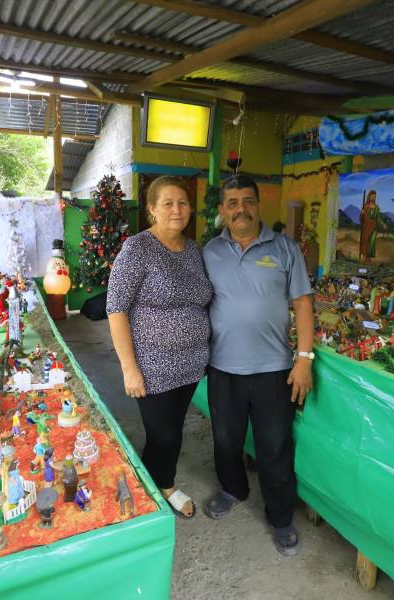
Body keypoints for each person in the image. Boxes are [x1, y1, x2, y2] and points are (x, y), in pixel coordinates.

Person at [202, 173, 314, 556]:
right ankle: (234, 489)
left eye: (247, 201)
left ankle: (281, 517)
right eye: (232, 203)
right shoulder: (209, 252)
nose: (240, 210)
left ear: (258, 204)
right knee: (226, 440)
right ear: (222, 211)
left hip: (273, 369)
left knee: (274, 446)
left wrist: (304, 360)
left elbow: (302, 304)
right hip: (222, 367)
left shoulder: (285, 249)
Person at [107, 176, 213, 519]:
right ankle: (164, 487)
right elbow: (116, 308)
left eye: (182, 203)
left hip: (192, 363)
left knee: (172, 428)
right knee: (163, 434)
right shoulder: (137, 248)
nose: (176, 210)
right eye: (167, 203)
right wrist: (129, 368)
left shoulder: (195, 250)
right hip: (153, 365)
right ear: (152, 209)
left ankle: (150, 479)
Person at [358, 189, 380, 262]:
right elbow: (361, 218)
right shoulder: (366, 206)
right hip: (366, 226)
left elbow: (378, 217)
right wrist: (362, 213)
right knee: (365, 241)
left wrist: (382, 224)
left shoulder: (377, 207)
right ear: (369, 197)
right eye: (372, 196)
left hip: (373, 226)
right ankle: (363, 256)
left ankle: (368, 258)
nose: (373, 198)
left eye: (374, 196)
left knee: (372, 242)